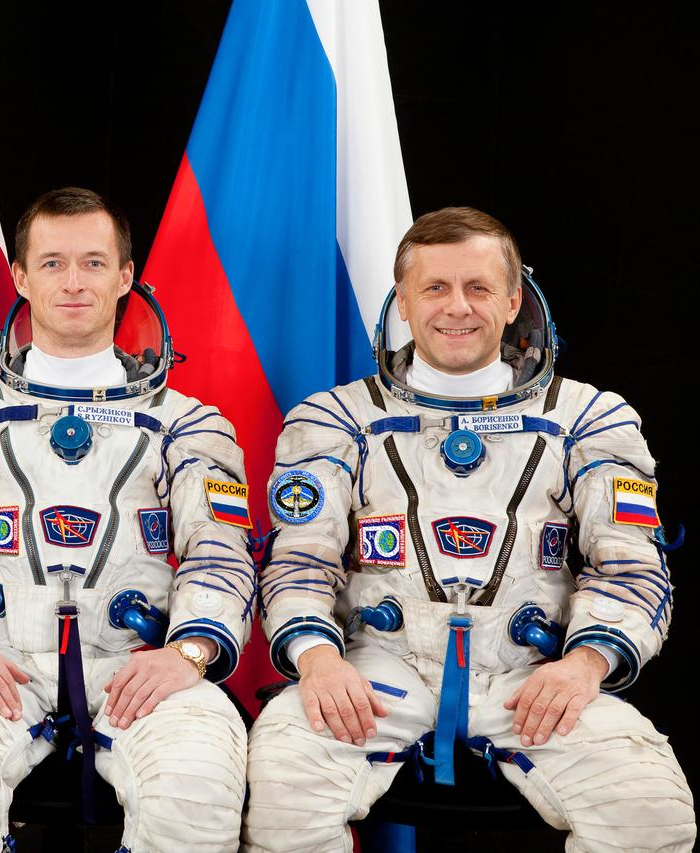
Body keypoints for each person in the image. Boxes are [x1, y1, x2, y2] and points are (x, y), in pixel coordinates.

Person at [244, 206, 695, 851]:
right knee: (281, 797)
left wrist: (584, 666)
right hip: (376, 672)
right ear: (403, 300)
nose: (457, 307)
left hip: (532, 678)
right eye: (435, 288)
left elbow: (630, 566)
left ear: (513, 300)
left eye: (478, 288)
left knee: (649, 814)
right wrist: (317, 660)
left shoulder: (588, 418)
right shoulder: (336, 419)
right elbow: (298, 562)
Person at [0, 187, 254, 852]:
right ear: (20, 276)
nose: (73, 282)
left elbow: (219, 554)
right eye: (52, 263)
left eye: (92, 262)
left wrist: (189, 652)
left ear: (125, 276)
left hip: (139, 665)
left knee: (197, 792)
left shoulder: (189, 421)